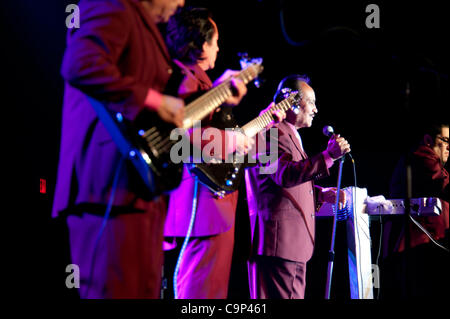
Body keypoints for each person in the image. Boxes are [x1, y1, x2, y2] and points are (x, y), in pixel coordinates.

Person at [52, 0, 186, 299]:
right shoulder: (113, 5)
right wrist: (154, 100)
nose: (181, 3)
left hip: (136, 186)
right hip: (107, 184)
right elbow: (80, 64)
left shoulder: (144, 24)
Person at [162, 7, 257, 299]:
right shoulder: (186, 78)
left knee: (210, 290)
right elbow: (182, 138)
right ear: (202, 45)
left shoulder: (202, 82)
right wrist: (230, 142)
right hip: (201, 204)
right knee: (200, 291)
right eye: (216, 42)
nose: (219, 48)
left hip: (212, 205)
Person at [245, 74, 351, 299]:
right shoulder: (272, 130)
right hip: (280, 244)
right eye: (311, 102)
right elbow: (283, 174)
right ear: (292, 102)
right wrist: (328, 157)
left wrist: (321, 194)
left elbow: (279, 182)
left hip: (281, 244)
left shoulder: (285, 133)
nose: (315, 110)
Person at [381, 122, 449, 298]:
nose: (449, 147)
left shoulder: (432, 162)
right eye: (445, 140)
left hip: (422, 245)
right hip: (416, 245)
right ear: (428, 140)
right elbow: (444, 185)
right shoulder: (422, 156)